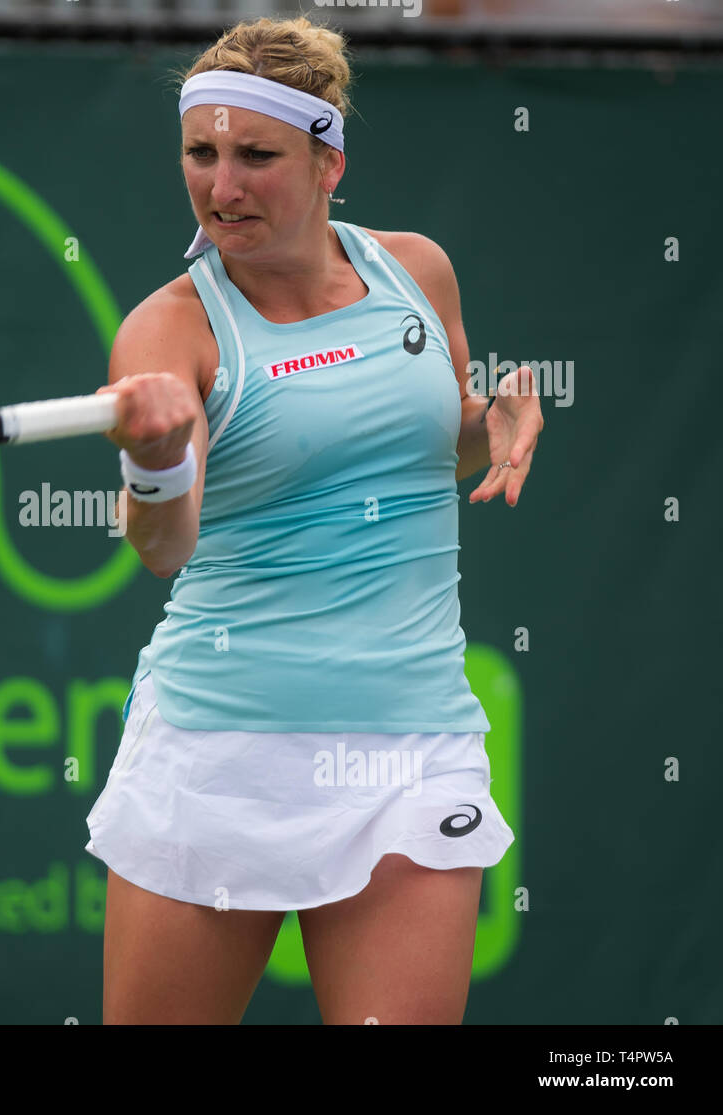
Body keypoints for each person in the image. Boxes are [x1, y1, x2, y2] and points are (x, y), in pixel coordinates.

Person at [85, 14, 545, 1025]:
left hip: (411, 742)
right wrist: (156, 465)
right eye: (199, 155)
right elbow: (161, 548)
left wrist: (488, 422)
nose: (221, 187)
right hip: (221, 747)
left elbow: (428, 443)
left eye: (256, 156)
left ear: (327, 159)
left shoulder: (416, 272)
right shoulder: (169, 329)